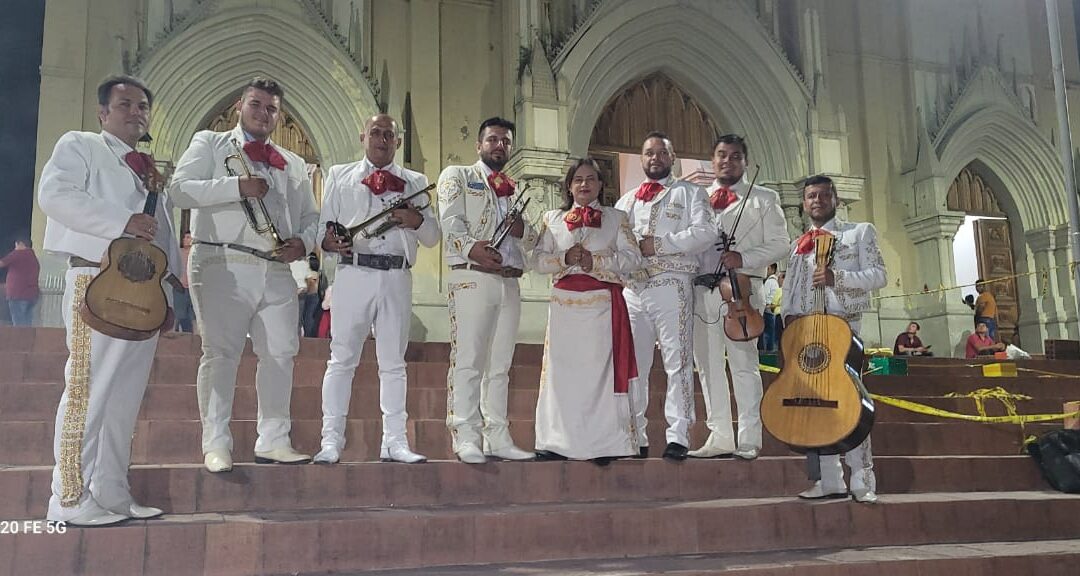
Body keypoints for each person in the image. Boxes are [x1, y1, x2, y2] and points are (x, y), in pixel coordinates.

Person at [38, 75, 181, 525]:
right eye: (125, 105)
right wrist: (123, 221)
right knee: (87, 389)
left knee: (124, 397)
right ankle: (68, 497)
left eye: (142, 106)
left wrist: (171, 283)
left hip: (145, 287)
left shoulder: (147, 168)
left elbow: (162, 227)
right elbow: (55, 196)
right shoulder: (80, 144)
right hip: (95, 279)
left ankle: (112, 491)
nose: (135, 112)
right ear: (103, 113)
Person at [171, 77, 319, 472]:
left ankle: (273, 439)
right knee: (220, 354)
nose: (263, 113)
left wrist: (302, 242)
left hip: (275, 267)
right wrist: (236, 186)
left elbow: (310, 217)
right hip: (221, 260)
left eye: (271, 108)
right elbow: (179, 190)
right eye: (256, 104)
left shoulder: (294, 162)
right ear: (240, 105)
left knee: (281, 353)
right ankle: (216, 444)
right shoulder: (210, 143)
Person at [315, 113, 439, 464]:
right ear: (363, 137)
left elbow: (432, 236)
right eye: (376, 133)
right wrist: (328, 242)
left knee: (393, 363)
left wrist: (415, 220)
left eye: (389, 134)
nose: (382, 139)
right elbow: (323, 230)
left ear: (397, 142)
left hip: (397, 276)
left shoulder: (416, 181)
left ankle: (395, 441)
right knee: (341, 360)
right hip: (354, 274)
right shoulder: (339, 175)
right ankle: (330, 440)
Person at [438, 116, 539, 464]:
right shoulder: (458, 176)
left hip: (509, 281)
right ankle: (465, 434)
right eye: (493, 139)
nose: (499, 146)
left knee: (500, 365)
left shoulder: (516, 188)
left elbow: (535, 239)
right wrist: (471, 248)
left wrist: (521, 227)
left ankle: (497, 436)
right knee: (469, 360)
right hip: (473, 275)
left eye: (505, 141)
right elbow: (450, 223)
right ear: (479, 145)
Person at [782, 174, 887, 504]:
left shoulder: (859, 232)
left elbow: (879, 275)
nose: (816, 200)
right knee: (816, 405)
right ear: (803, 203)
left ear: (835, 200)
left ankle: (861, 479)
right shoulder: (798, 246)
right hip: (808, 334)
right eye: (810, 196)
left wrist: (837, 277)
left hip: (844, 329)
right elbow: (789, 290)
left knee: (850, 402)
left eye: (823, 195)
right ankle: (830, 480)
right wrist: (789, 317)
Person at [530, 158, 643, 462]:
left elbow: (633, 258)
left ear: (600, 184)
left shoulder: (616, 218)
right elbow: (537, 260)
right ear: (569, 185)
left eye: (590, 179)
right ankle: (557, 442)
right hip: (564, 308)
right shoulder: (551, 219)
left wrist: (598, 263)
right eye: (578, 179)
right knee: (561, 376)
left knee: (601, 377)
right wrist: (565, 258)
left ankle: (604, 445)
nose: (584, 184)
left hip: (602, 308)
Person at [615, 131, 717, 460]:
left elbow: (706, 233)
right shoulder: (627, 200)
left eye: (662, 152)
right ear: (642, 158)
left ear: (672, 158)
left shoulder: (690, 193)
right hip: (634, 289)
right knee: (635, 366)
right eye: (648, 153)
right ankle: (635, 434)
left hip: (671, 283)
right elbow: (614, 240)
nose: (655, 158)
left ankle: (679, 435)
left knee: (677, 362)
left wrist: (660, 245)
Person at [689, 135, 789, 460]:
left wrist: (743, 257)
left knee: (745, 365)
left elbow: (781, 243)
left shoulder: (763, 197)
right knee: (708, 366)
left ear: (744, 161)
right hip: (703, 291)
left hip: (742, 290)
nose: (727, 161)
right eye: (721, 155)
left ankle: (749, 439)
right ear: (713, 159)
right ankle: (719, 436)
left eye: (734, 156)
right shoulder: (699, 198)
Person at [0, 234, 41, 326]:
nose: (15, 248)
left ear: (21, 244)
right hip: (32, 295)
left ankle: (20, 340)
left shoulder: (18, 253)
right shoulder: (33, 257)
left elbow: (2, 263)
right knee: (27, 323)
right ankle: (27, 340)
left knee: (18, 324)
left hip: (17, 295)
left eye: (16, 245)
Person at [172, 231, 195, 333]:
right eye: (185, 237)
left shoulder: (196, 254)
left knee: (193, 315)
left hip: (193, 288)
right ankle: (172, 333)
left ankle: (196, 337)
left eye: (189, 237)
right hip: (179, 287)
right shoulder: (178, 253)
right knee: (177, 313)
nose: (186, 239)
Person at [760, 264, 781, 353]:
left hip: (767, 309)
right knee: (772, 332)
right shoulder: (775, 282)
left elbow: (763, 297)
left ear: (772, 269)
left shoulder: (769, 282)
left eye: (768, 268)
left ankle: (767, 351)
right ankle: (771, 350)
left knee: (766, 333)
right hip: (773, 310)